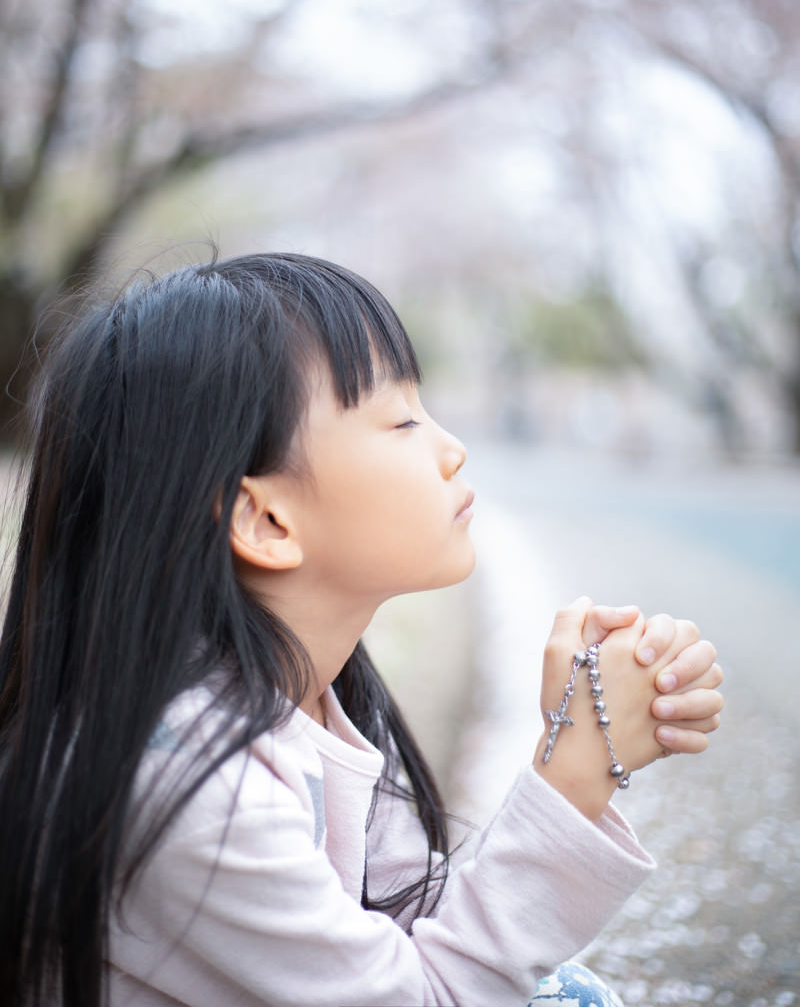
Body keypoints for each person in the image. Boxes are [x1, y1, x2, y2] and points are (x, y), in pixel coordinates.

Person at [0, 252, 723, 1007]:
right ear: (267, 520)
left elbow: (419, 926)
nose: (453, 450)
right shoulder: (194, 785)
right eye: (403, 420)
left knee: (567, 992)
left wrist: (575, 731)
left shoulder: (301, 701)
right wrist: (579, 770)